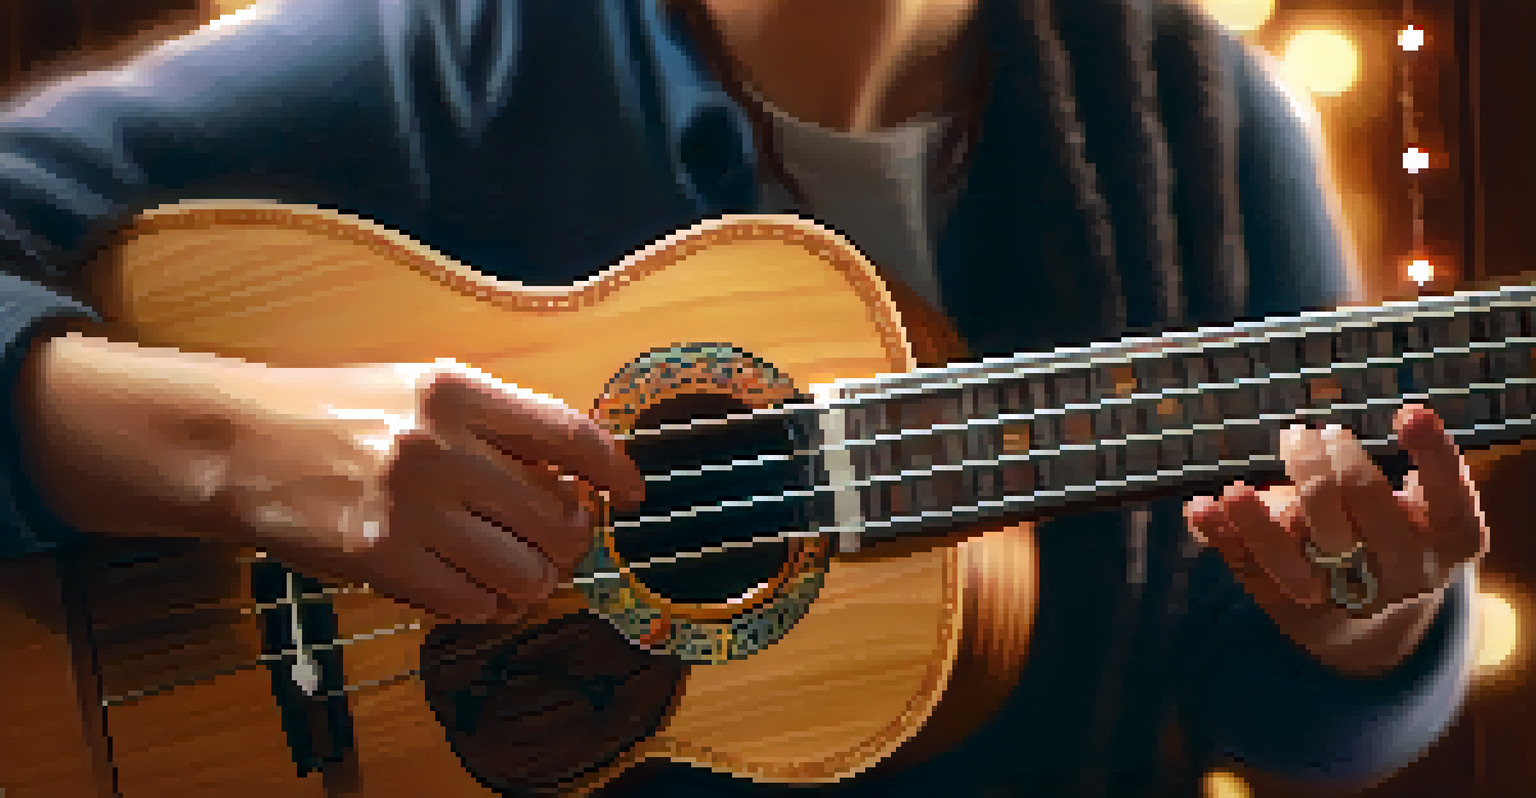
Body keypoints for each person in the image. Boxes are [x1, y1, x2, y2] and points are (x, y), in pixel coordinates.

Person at [0, 0, 1485, 796]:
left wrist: (1363, 618)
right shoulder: (444, 52)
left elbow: (1267, 713)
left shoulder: (1209, 128)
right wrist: (246, 453)